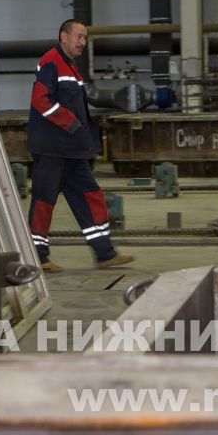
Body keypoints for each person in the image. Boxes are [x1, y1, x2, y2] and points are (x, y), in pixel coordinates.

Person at [27, 19, 134, 273]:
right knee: (44, 202)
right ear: (63, 37)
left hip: (72, 150)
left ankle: (105, 253)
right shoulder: (51, 61)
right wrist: (71, 122)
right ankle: (38, 257)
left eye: (85, 38)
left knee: (91, 196)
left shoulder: (70, 67)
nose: (83, 42)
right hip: (52, 149)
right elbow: (40, 100)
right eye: (78, 37)